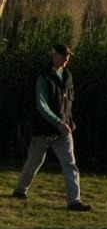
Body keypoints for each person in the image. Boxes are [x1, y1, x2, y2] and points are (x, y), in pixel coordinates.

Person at [11, 43, 92, 211]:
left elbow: (68, 103)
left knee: (69, 163)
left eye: (67, 56)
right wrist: (57, 122)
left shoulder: (68, 76)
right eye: (63, 55)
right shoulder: (43, 77)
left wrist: (66, 122)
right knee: (34, 161)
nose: (66, 59)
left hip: (64, 129)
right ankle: (20, 190)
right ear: (53, 56)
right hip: (44, 129)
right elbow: (42, 106)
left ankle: (74, 201)